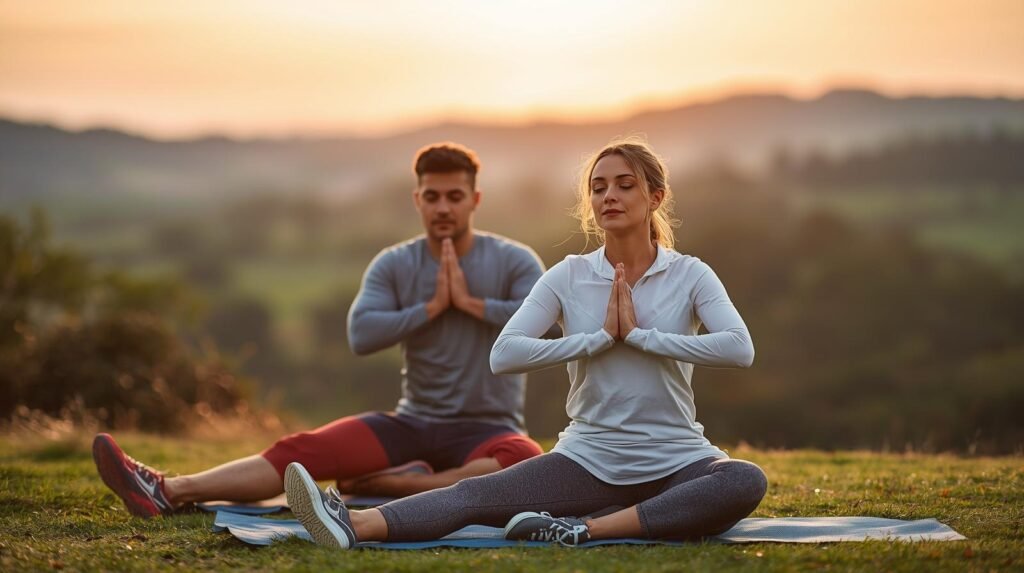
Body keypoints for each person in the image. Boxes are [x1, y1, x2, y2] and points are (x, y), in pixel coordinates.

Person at [284, 137, 768, 548]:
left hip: (676, 457)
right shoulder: (569, 276)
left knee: (743, 479)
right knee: (474, 495)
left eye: (625, 185)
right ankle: (351, 523)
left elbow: (738, 348)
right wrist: (593, 341)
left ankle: (585, 528)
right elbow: (505, 354)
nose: (609, 196)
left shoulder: (690, 274)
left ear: (656, 197)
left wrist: (641, 337)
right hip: (588, 458)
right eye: (598, 188)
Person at [92, 142, 547, 518]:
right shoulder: (394, 263)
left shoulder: (515, 261)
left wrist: (468, 304)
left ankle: (397, 483)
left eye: (454, 196)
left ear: (475, 200)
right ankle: (165, 490)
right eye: (432, 197)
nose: (443, 207)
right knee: (300, 449)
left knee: (527, 460)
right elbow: (362, 335)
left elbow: (539, 333)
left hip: (487, 429)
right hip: (412, 422)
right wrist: (430, 308)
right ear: (417, 200)